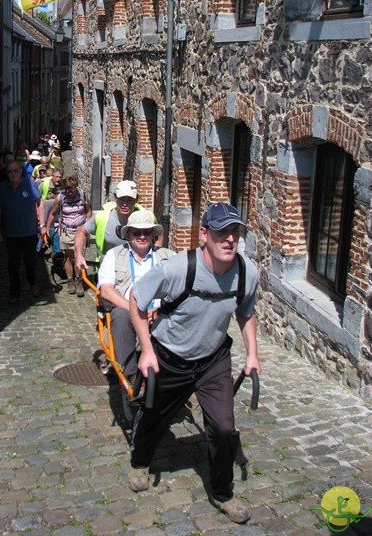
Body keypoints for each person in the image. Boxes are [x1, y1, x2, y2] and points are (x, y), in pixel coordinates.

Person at [127, 203, 261, 525]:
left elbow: (245, 312)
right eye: (221, 232)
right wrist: (146, 349)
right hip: (169, 356)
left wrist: (252, 353)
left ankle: (221, 492)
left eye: (235, 232)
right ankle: (140, 461)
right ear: (204, 235)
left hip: (213, 358)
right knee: (154, 414)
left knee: (225, 427)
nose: (230, 239)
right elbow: (136, 300)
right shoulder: (177, 269)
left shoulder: (247, 273)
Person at [97, 211, 174, 381]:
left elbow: (179, 290)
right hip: (128, 311)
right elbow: (107, 290)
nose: (142, 236)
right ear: (128, 235)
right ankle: (129, 377)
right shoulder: (114, 255)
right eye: (137, 232)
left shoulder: (168, 256)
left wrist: (159, 310)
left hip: (159, 312)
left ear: (153, 235)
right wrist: (135, 310)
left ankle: (174, 374)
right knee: (120, 315)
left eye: (146, 232)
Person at [74, 180, 163, 272]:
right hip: (108, 271)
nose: (124, 204)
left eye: (129, 199)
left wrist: (156, 256)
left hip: (139, 271)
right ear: (115, 198)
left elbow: (158, 234)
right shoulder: (103, 217)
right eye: (121, 199)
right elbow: (81, 232)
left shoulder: (147, 218)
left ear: (136, 199)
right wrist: (79, 256)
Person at [0, 160, 47, 303]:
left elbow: (39, 203)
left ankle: (33, 282)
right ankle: (14, 292)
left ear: (21, 172)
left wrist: (42, 225)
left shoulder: (29, 184)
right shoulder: (2, 188)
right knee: (13, 264)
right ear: (7, 174)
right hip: (12, 234)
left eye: (16, 171)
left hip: (30, 232)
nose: (13, 174)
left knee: (30, 263)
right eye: (10, 172)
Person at [46, 176, 92, 296]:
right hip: (67, 231)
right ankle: (70, 280)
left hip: (80, 231)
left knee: (78, 256)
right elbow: (52, 213)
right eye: (68, 189)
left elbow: (88, 210)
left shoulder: (82, 195)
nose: (70, 192)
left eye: (72, 189)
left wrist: (89, 224)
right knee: (68, 257)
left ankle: (78, 280)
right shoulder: (60, 198)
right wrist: (46, 228)